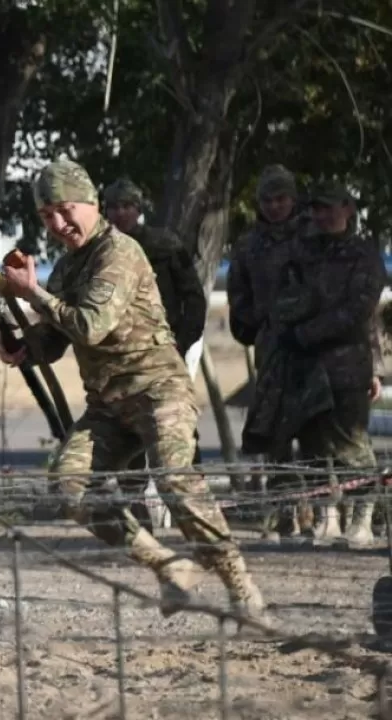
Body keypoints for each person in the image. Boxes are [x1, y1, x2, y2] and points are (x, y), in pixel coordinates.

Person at [0, 159, 264, 622]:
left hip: (158, 390)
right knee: (71, 487)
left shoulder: (119, 252)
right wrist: (18, 342)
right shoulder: (67, 267)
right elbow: (57, 341)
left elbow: (91, 325)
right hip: (108, 406)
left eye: (65, 210)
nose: (59, 224)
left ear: (91, 203)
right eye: (46, 217)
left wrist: (33, 294)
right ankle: (168, 565)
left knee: (176, 481)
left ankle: (240, 585)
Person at [242, 179, 385, 550]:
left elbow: (358, 310)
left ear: (348, 210)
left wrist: (306, 332)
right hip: (304, 365)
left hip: (346, 366)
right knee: (315, 446)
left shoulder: (363, 254)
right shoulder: (303, 253)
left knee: (352, 445)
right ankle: (326, 517)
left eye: (330, 207)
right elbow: (285, 298)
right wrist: (293, 327)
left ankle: (363, 519)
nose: (323, 215)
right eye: (317, 208)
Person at [101, 178, 207, 528]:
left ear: (138, 209)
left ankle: (192, 506)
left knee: (176, 427)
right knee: (132, 429)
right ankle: (135, 509)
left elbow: (193, 298)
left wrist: (182, 342)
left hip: (166, 353)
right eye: (113, 207)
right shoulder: (100, 249)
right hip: (124, 358)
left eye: (126, 206)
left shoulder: (164, 246)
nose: (119, 214)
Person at [226, 165, 317, 541]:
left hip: (315, 347)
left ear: (293, 199)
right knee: (276, 432)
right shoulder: (249, 246)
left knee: (313, 431)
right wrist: (256, 323)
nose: (275, 206)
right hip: (272, 348)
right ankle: (283, 517)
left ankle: (313, 515)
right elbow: (238, 297)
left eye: (281, 198)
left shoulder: (316, 237)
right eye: (267, 200)